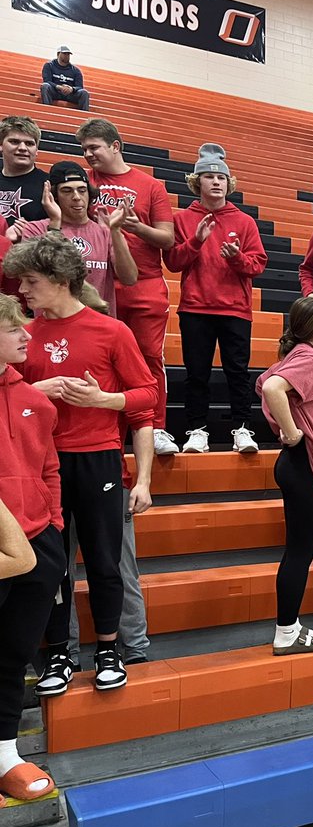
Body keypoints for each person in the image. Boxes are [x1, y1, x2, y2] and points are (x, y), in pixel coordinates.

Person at [6, 234, 156, 695]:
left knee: (105, 561)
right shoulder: (21, 335)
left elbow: (147, 396)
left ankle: (109, 649)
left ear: (61, 280)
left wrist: (102, 398)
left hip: (98, 460)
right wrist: (37, 393)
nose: (22, 291)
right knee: (50, 567)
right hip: (41, 466)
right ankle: (59, 654)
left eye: (31, 281)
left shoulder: (112, 331)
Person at [77, 118, 176, 456]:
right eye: (85, 149)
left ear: (115, 146)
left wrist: (137, 227)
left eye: (94, 148)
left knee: (149, 358)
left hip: (145, 285)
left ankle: (156, 427)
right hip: (97, 284)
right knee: (101, 361)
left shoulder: (150, 185)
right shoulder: (82, 182)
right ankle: (110, 432)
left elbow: (168, 238)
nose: (88, 154)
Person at [0, 295, 63, 804]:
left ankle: (4, 755)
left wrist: (55, 533)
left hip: (38, 543)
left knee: (13, 654)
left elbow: (48, 471)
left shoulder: (36, 400)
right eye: (16, 329)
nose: (28, 337)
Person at [165, 144, 267, 454]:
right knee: (197, 374)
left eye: (220, 177)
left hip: (235, 309)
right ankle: (197, 430)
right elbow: (173, 262)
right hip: (196, 307)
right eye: (208, 176)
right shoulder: (182, 219)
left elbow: (258, 264)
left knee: (238, 372)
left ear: (228, 183)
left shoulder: (245, 222)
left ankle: (243, 428)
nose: (216, 182)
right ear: (198, 182)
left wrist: (237, 258)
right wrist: (196, 241)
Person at [257, 296, 313, 654]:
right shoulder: (310, 358)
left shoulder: (300, 357)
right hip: (306, 464)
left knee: (297, 551)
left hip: (298, 464)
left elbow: (265, 381)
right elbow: (272, 387)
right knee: (299, 553)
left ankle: (290, 627)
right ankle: (287, 632)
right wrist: (291, 432)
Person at [5, 161, 137, 308]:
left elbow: (129, 278)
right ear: (54, 196)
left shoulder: (106, 231)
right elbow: (44, 274)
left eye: (82, 190)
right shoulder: (35, 229)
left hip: (98, 321)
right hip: (52, 321)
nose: (76, 197)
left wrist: (116, 231)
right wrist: (55, 223)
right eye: (67, 191)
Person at [0, 116, 50, 226]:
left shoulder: (50, 184)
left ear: (36, 150)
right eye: (14, 142)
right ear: (1, 146)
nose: (22, 148)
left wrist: (32, 232)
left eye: (29, 143)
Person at [41, 46, 90, 111]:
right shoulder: (49, 65)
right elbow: (47, 81)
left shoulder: (76, 70)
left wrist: (71, 89)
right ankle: (46, 110)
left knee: (84, 92)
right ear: (58, 54)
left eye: (68, 54)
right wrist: (59, 87)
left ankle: (84, 115)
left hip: (69, 94)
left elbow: (80, 86)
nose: (67, 56)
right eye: (64, 54)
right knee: (45, 86)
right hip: (55, 92)